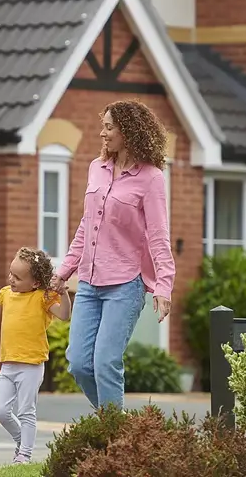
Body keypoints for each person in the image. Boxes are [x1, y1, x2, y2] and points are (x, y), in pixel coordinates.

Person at [50, 99, 176, 411]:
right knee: (79, 363)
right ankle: (116, 426)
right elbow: (86, 225)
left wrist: (163, 286)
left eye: (109, 127)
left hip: (126, 283)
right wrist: (64, 271)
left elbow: (159, 236)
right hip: (90, 282)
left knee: (106, 363)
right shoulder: (97, 168)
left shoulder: (151, 178)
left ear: (129, 132)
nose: (102, 134)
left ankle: (113, 437)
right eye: (103, 126)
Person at [0, 247, 71, 464]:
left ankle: (24, 454)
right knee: (0, 411)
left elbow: (64, 315)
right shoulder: (6, 294)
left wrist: (63, 294)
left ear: (35, 282)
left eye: (17, 277)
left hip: (31, 365)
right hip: (8, 365)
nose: (11, 279)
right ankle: (21, 440)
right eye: (11, 274)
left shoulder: (42, 298)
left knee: (26, 411)